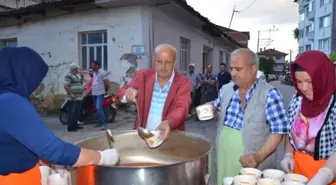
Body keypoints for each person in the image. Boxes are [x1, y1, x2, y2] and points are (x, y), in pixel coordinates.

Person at [0, 46, 119, 185]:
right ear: (21, 73)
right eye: (35, 78)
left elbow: (12, 143)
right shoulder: (11, 103)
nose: (37, 86)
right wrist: (101, 157)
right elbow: (55, 150)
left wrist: (42, 158)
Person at [206, 48, 288, 185]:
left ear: (253, 68)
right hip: (223, 160)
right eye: (232, 68)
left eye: (238, 69)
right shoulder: (225, 90)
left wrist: (258, 156)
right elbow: (219, 113)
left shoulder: (270, 94)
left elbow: (279, 131)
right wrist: (212, 110)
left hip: (252, 166)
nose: (233, 73)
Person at [280, 50, 336, 185]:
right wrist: (288, 154)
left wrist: (324, 176)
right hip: (297, 173)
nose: (303, 88)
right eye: (298, 81)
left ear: (322, 77)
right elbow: (291, 132)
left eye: (309, 81)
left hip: (328, 174)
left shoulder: (333, 104)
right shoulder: (297, 99)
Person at [117, 44, 192, 140]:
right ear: (154, 61)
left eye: (168, 62)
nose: (163, 66)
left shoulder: (183, 83)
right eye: (159, 62)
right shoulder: (143, 76)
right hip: (143, 137)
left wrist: (169, 122)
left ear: (174, 63)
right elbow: (121, 91)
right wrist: (127, 94)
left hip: (170, 137)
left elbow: (181, 108)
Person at [64, 63, 84, 131]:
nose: (78, 70)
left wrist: (82, 77)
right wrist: (71, 94)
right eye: (77, 68)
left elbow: (80, 84)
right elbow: (66, 86)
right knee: (71, 113)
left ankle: (75, 125)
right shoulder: (69, 75)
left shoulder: (75, 75)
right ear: (74, 69)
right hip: (72, 97)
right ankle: (70, 127)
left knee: (77, 112)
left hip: (78, 97)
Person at [91, 60, 109, 130]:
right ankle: (99, 122)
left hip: (100, 93)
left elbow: (106, 83)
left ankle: (104, 124)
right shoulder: (94, 72)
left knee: (99, 108)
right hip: (94, 93)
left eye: (93, 65)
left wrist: (105, 90)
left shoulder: (102, 72)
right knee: (96, 108)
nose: (92, 66)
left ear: (97, 65)